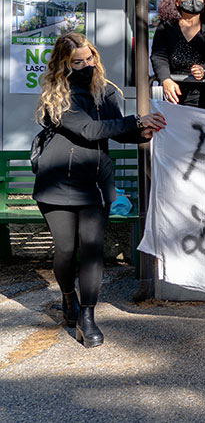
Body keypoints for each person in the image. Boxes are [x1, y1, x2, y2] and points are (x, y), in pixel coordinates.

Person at [31, 33, 166, 348]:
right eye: (77, 62)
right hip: (57, 184)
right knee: (66, 251)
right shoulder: (57, 95)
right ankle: (68, 297)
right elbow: (90, 130)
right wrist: (136, 121)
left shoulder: (105, 91)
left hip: (96, 184)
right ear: (63, 65)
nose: (86, 65)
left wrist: (144, 133)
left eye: (89, 59)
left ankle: (87, 317)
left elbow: (116, 130)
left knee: (92, 251)